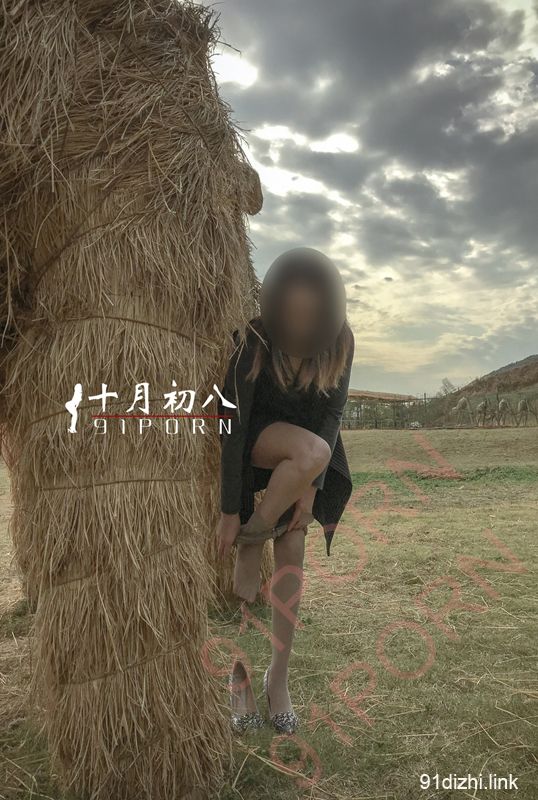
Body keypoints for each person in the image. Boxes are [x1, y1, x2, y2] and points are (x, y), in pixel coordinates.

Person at [217, 247, 355, 735]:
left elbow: (332, 415)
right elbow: (232, 424)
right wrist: (231, 512)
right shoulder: (253, 341)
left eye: (309, 313)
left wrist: (310, 491)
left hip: (304, 460)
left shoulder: (340, 342)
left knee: (293, 552)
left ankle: (278, 679)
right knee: (311, 451)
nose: (300, 323)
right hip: (256, 445)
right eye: (291, 312)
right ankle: (238, 681)